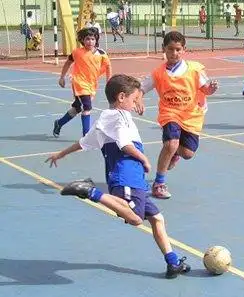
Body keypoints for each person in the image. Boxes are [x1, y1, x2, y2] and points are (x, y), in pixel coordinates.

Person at [45, 74, 191, 279]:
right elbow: (125, 145)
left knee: (157, 218)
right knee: (136, 219)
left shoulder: (106, 118)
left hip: (127, 176)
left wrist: (61, 153)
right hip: (127, 173)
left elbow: (84, 142)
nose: (136, 103)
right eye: (134, 99)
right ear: (121, 97)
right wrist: (145, 159)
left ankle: (173, 262)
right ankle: (90, 191)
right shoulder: (119, 117)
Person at [138, 31, 218, 199]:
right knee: (171, 143)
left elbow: (205, 89)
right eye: (170, 49)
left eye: (177, 49)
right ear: (163, 49)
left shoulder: (195, 70)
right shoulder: (158, 73)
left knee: (188, 153)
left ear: (184, 50)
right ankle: (159, 183)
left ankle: (175, 154)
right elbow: (141, 88)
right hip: (170, 113)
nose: (174, 53)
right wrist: (139, 99)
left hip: (190, 115)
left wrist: (210, 89)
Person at [53, 27, 112, 138]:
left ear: (96, 40)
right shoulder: (77, 52)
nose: (90, 41)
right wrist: (62, 77)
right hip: (79, 83)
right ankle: (87, 136)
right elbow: (67, 63)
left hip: (92, 84)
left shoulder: (102, 53)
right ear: (82, 40)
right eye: (87, 39)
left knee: (77, 108)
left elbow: (108, 67)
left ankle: (59, 123)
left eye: (92, 39)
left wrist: (109, 81)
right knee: (87, 107)